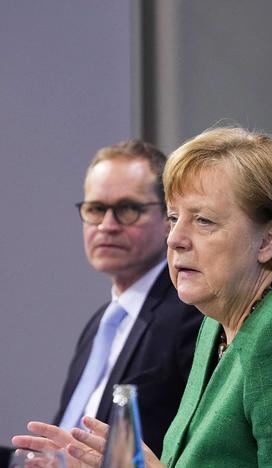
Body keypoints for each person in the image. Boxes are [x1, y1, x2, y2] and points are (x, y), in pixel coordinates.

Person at [14, 127, 272, 467]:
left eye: (203, 221)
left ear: (268, 240)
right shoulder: (217, 319)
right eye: (174, 217)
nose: (175, 239)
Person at [55, 140, 202, 456]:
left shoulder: (191, 313)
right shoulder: (100, 324)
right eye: (95, 209)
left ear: (169, 219)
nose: (107, 226)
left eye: (127, 209)